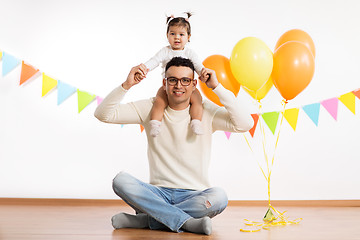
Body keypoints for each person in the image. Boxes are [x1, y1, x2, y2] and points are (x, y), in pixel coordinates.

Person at [94, 57, 254, 235]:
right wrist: (126, 85)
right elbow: (103, 115)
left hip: (195, 195)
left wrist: (217, 87)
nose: (179, 85)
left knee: (220, 197)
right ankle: (185, 221)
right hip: (156, 193)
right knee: (121, 181)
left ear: (194, 84)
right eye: (173, 80)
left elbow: (245, 124)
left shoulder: (207, 111)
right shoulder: (150, 107)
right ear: (164, 83)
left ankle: (147, 220)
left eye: (185, 80)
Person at [136, 12, 206, 137]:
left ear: (188, 36)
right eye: (172, 34)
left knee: (197, 100)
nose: (177, 37)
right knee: (159, 101)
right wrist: (145, 68)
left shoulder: (190, 53)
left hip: (187, 87)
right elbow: (154, 61)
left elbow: (198, 65)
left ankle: (196, 122)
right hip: (168, 87)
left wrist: (203, 73)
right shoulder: (165, 51)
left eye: (181, 34)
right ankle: (155, 124)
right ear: (167, 35)